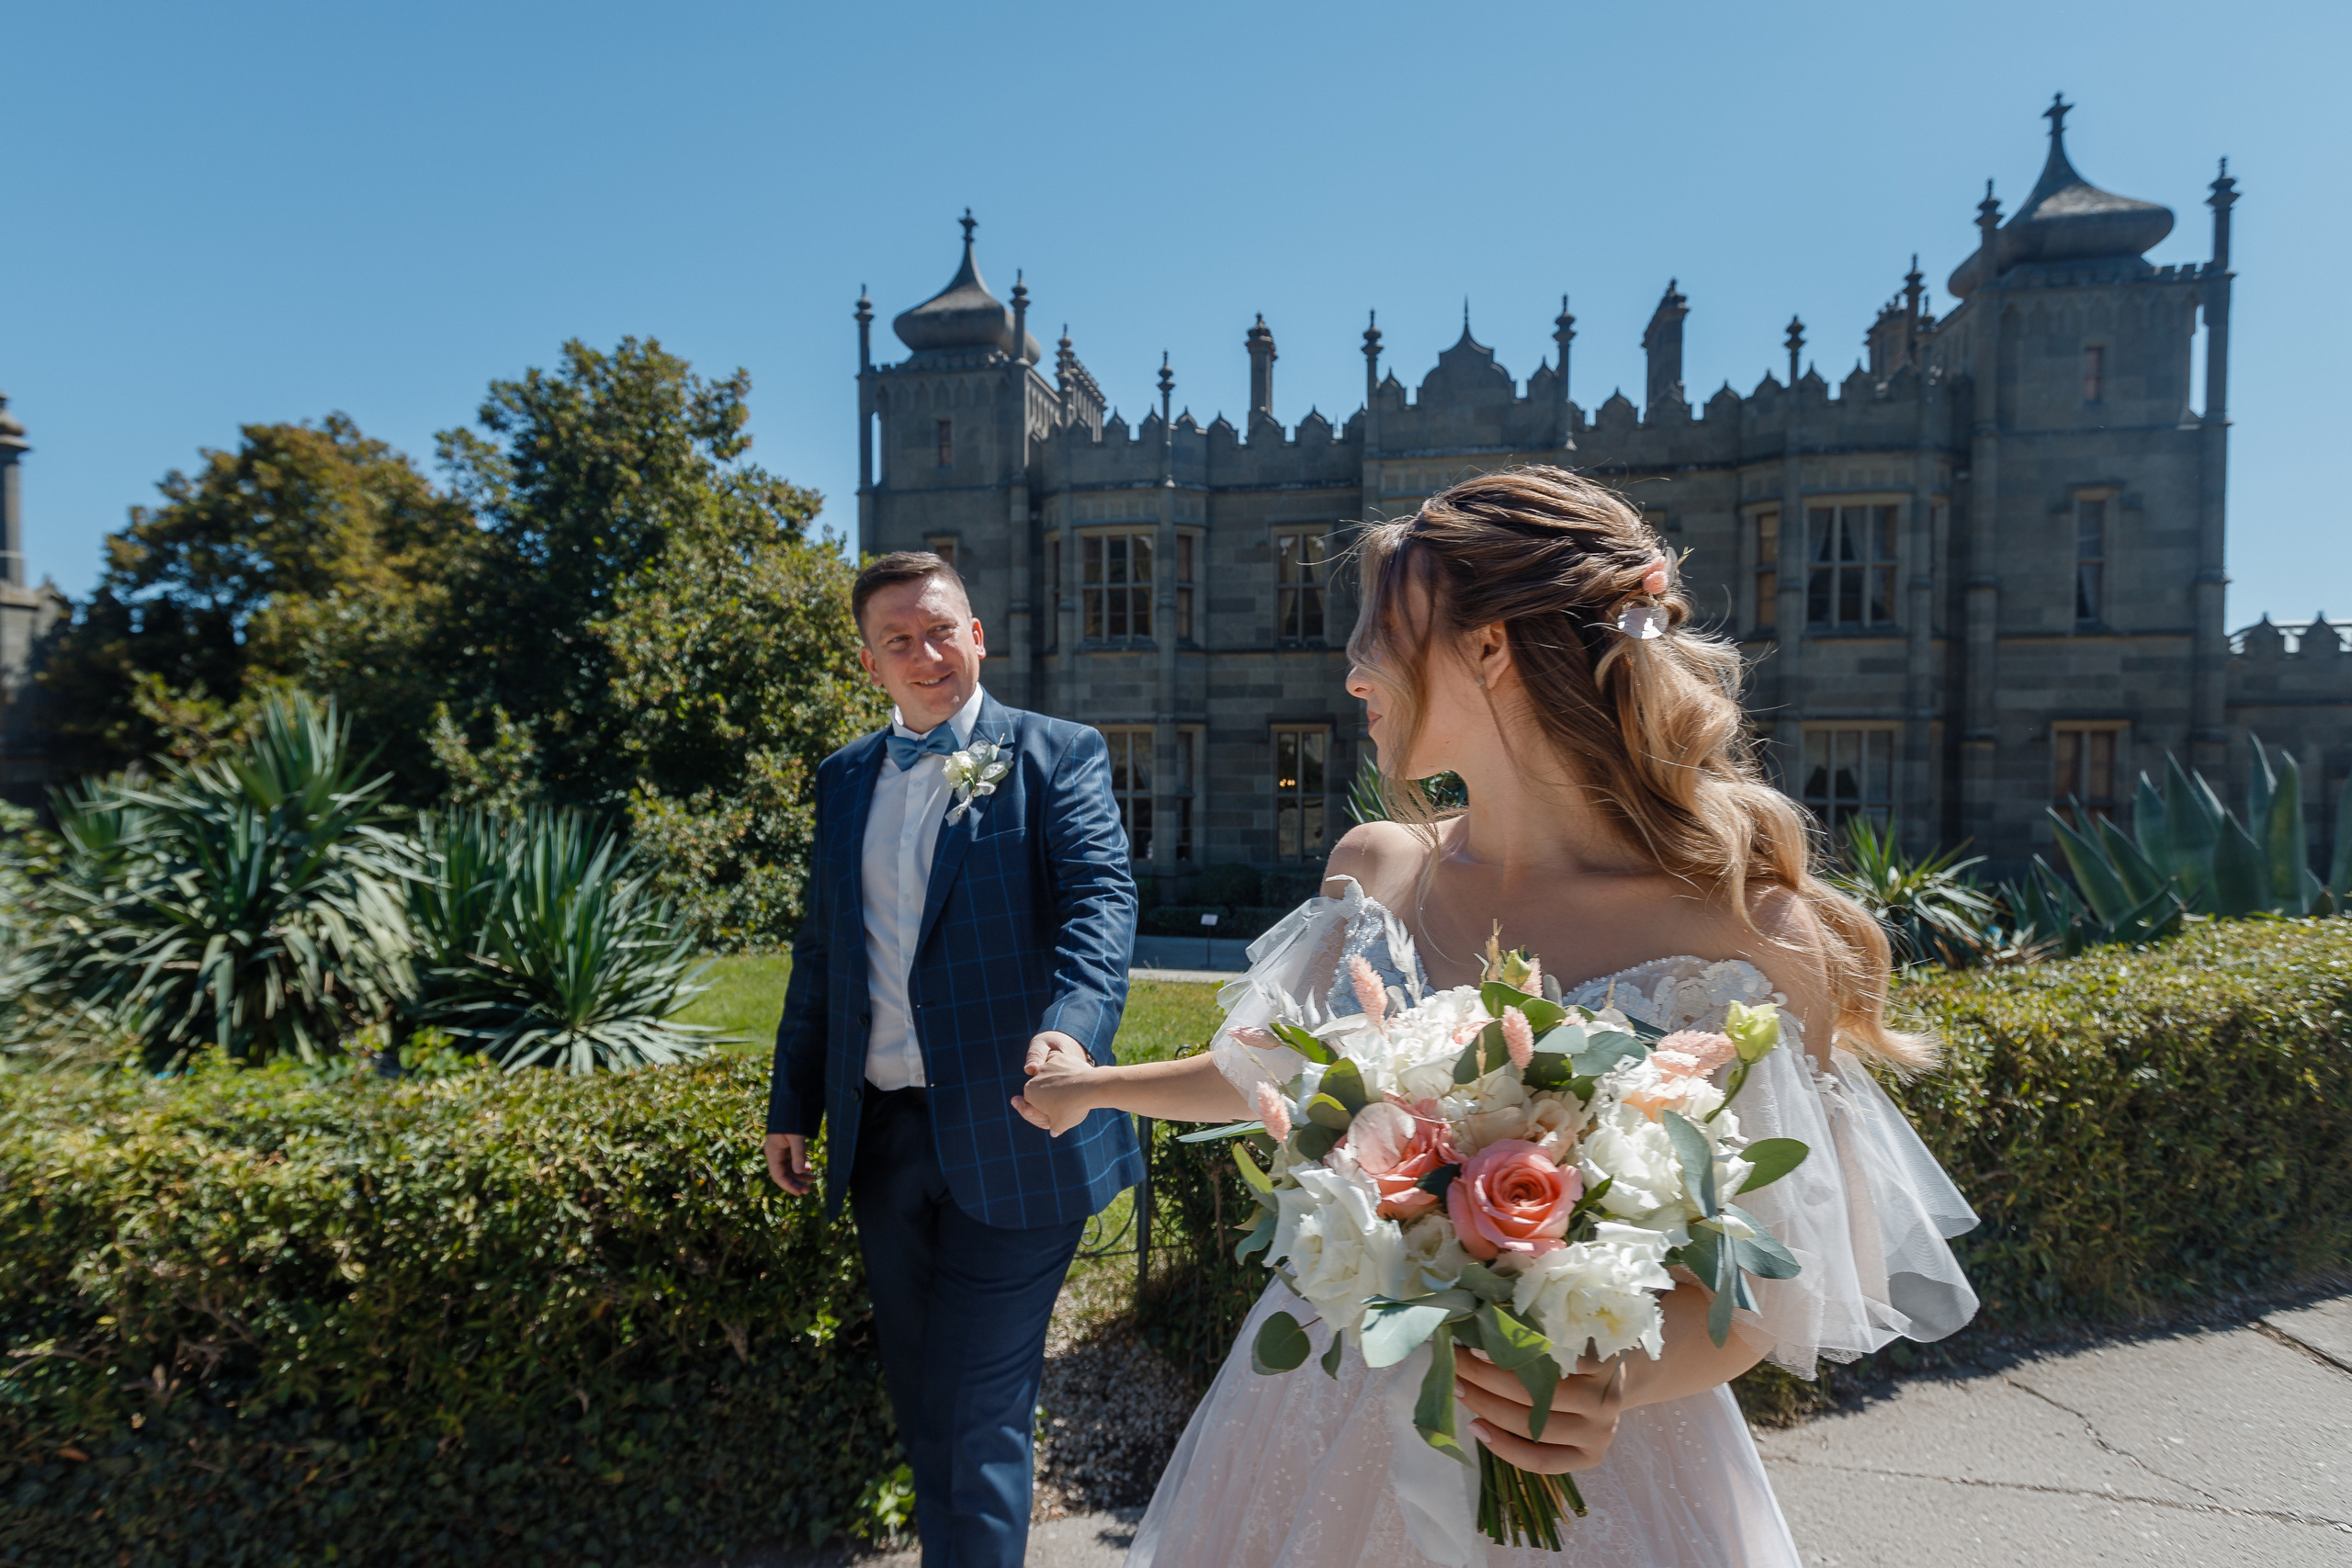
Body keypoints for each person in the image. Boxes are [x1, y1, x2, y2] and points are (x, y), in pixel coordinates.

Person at [1015, 468, 1978, 1567]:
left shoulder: (1749, 937)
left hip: (1599, 1472)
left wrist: (1618, 1375)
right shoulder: (1375, 869)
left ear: (1487, 650)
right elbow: (1259, 1072)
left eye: (1382, 632)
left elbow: (1766, 1292)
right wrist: (1089, 1088)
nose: (1353, 668)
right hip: (1320, 1430)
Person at [764, 550, 1143, 1568]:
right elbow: (823, 951)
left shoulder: (1057, 752)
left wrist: (1070, 1031)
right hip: (881, 1138)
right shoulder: (845, 779)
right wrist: (790, 1101)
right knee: (926, 1398)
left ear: (978, 635)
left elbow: (1100, 906)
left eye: (942, 631)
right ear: (868, 664)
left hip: (1019, 1131)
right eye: (900, 641)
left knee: (978, 1409)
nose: (926, 655)